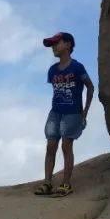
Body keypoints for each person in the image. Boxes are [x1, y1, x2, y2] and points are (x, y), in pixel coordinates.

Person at [35, 31, 94, 197]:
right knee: (51, 145)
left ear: (68, 44)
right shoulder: (52, 70)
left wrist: (85, 112)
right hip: (55, 112)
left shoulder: (77, 67)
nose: (53, 47)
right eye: (52, 44)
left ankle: (66, 184)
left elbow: (90, 86)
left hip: (72, 113)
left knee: (66, 146)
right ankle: (47, 183)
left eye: (57, 43)